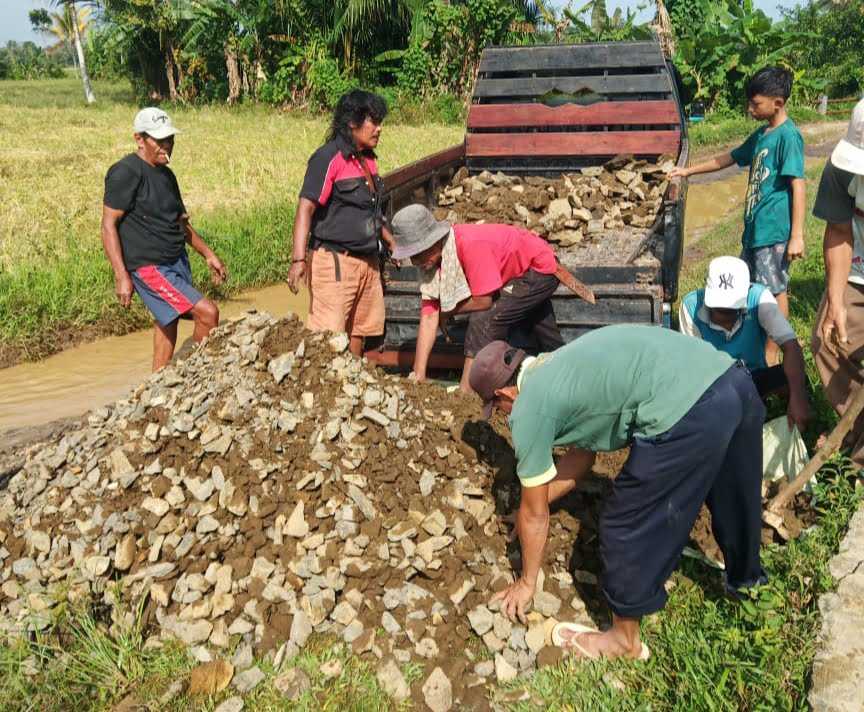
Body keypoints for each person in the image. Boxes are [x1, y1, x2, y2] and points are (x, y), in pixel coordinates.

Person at [470, 326, 766, 660]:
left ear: (505, 393)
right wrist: (538, 501)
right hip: (733, 380)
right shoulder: (558, 364)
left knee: (623, 524)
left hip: (689, 407)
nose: (501, 416)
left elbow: (535, 514)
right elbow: (582, 456)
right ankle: (748, 584)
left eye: (496, 409)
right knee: (734, 494)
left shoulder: (528, 407)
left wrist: (526, 581)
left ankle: (624, 641)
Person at [670, 67, 806, 364]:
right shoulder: (762, 136)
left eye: (755, 104)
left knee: (773, 291)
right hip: (754, 231)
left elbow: (798, 184)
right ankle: (752, 344)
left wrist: (797, 235)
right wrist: (688, 171)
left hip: (773, 231)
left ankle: (771, 356)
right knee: (746, 290)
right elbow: (728, 158)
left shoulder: (788, 137)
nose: (749, 109)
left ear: (778, 103)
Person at [390, 204, 568, 392]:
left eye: (419, 254)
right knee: (544, 329)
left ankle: (467, 391)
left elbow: (484, 301)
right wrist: (419, 373)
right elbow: (428, 315)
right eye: (412, 257)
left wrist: (448, 310)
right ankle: (565, 369)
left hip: (538, 268)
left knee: (485, 318)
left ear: (434, 241)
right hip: (517, 272)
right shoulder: (432, 264)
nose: (417, 262)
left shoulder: (470, 244)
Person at [101, 107, 226, 372]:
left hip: (176, 260)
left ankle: (156, 382)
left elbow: (181, 223)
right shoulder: (125, 172)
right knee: (208, 313)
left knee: (167, 321)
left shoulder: (167, 175)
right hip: (150, 266)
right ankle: (194, 376)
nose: (167, 145)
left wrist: (208, 254)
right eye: (159, 140)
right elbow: (108, 225)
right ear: (139, 139)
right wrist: (121, 275)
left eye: (170, 139)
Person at [288, 90, 394, 357]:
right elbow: (305, 208)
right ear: (352, 123)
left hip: (367, 263)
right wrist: (299, 260)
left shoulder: (368, 162)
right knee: (328, 341)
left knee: (360, 333)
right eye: (373, 121)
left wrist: (396, 247)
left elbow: (373, 213)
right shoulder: (328, 158)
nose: (379, 129)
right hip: (336, 262)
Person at [680, 255, 810, 430]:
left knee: (795, 380)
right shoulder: (690, 306)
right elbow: (693, 369)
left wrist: (798, 397)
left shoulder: (760, 299)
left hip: (754, 377)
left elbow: (791, 346)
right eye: (718, 309)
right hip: (715, 385)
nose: (723, 316)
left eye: (730, 310)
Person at [811, 98, 864, 467]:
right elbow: (840, 230)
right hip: (859, 271)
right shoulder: (841, 170)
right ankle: (860, 438)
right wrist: (834, 300)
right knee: (826, 340)